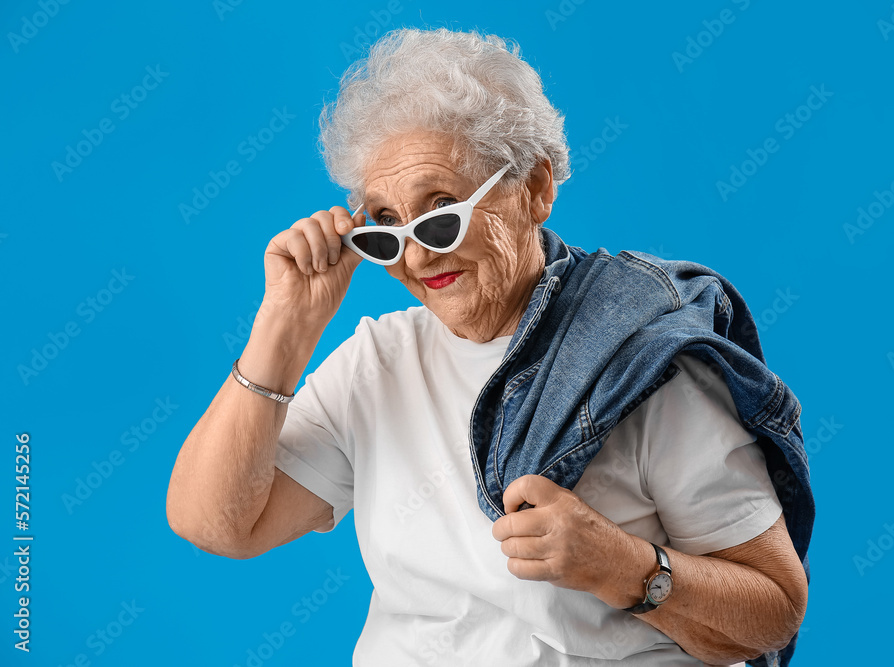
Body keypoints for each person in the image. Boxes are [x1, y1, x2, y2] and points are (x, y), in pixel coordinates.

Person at [166, 28, 810, 667]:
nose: (417, 255)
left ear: (534, 188)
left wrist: (626, 568)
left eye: (441, 210)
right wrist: (285, 329)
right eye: (385, 229)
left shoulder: (641, 363)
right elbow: (220, 524)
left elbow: (772, 611)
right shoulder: (377, 362)